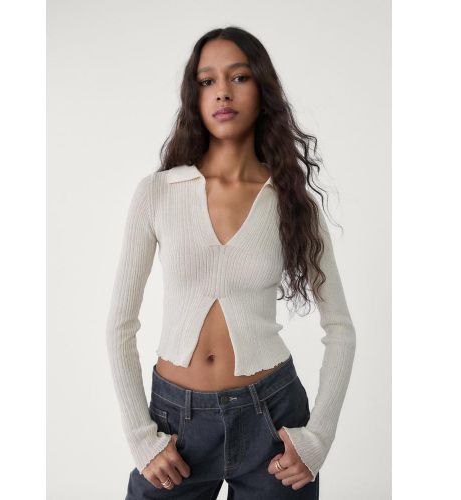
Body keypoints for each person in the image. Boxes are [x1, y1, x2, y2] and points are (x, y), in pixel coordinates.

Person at [106, 26, 356, 499]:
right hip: (175, 425)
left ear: (262, 90)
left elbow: (341, 329)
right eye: (207, 81)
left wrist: (317, 439)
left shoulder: (291, 202)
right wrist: (142, 439)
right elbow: (119, 325)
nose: (222, 91)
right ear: (195, 97)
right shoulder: (158, 193)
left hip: (272, 421)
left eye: (239, 77)